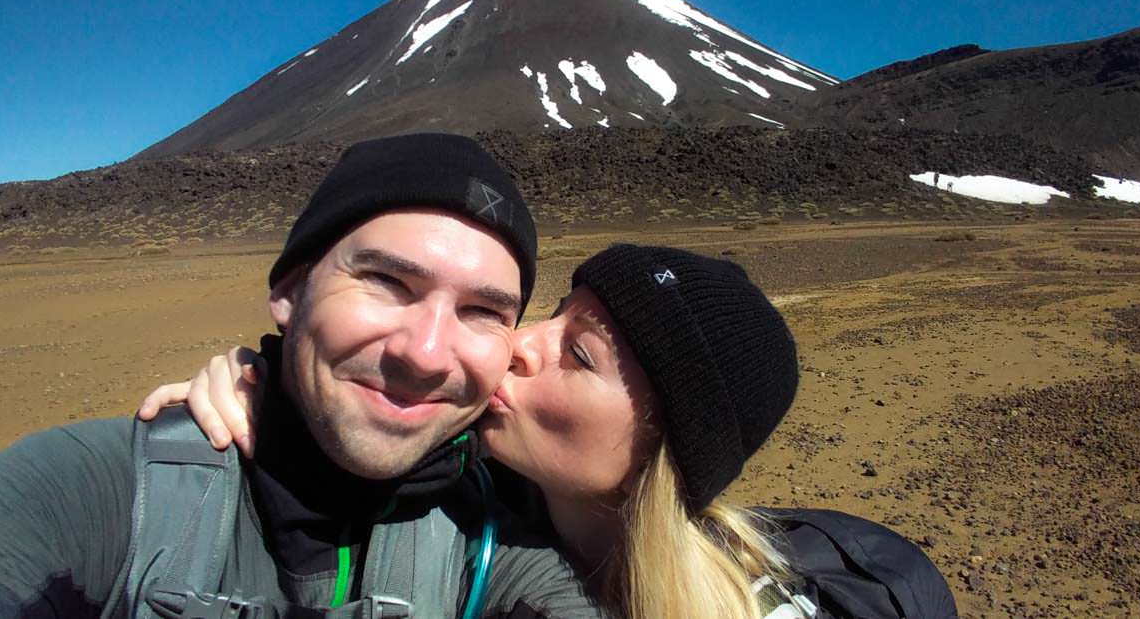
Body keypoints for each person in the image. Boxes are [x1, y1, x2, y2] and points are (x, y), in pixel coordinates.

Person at [0, 134, 600, 618]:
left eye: (483, 311)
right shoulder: (87, 494)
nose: (428, 354)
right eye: (387, 282)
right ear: (290, 290)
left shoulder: (500, 544)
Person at [145, 244, 811, 618]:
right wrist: (269, 383)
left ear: (660, 458)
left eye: (577, 353)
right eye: (550, 315)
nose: (518, 343)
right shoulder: (455, 488)